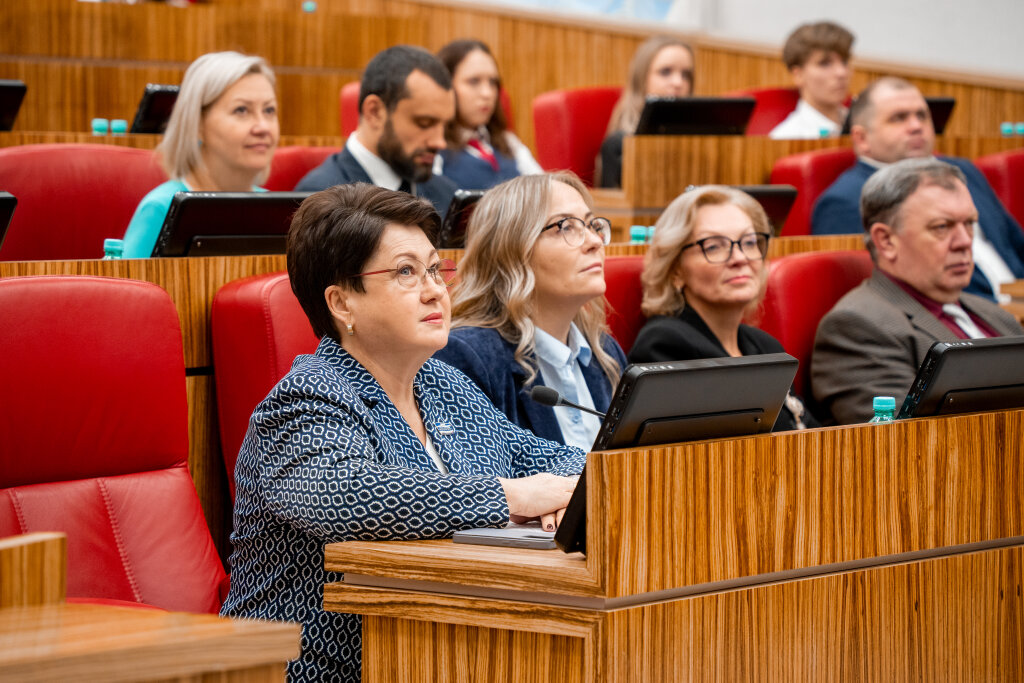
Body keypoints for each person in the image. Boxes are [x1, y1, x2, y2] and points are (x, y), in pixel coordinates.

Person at [220, 183, 583, 681]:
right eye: (406, 272)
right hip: (315, 669)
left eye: (434, 269)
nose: (435, 289)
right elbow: (346, 496)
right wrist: (514, 497)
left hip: (436, 651)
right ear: (342, 303)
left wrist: (568, 491)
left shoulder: (443, 383)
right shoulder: (306, 399)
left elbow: (544, 458)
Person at [811, 158, 1024, 425]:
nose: (965, 242)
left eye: (970, 224)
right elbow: (908, 447)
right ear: (886, 241)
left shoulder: (996, 315)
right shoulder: (858, 327)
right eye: (941, 227)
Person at [434, 172, 626, 450]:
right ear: (512, 250)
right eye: (566, 227)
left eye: (591, 224)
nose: (595, 241)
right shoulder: (468, 357)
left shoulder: (604, 351)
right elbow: (482, 486)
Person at [811, 77, 1024, 301]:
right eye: (899, 118)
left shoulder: (963, 171)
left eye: (922, 115)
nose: (916, 126)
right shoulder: (846, 200)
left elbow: (1016, 245)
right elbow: (883, 295)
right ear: (862, 138)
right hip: (962, 322)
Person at [628, 185, 818, 431]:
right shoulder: (664, 346)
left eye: (749, 242)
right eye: (714, 246)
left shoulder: (765, 346)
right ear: (675, 269)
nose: (740, 258)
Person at [121, 51, 279, 258]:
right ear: (197, 123)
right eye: (241, 110)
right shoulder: (161, 209)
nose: (262, 127)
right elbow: (132, 290)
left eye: (269, 110)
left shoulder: (278, 212)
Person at [295, 45, 458, 219]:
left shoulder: (448, 196)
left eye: (445, 126)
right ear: (374, 112)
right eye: (424, 123)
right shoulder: (320, 200)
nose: (440, 142)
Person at [434, 39, 542, 190]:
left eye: (492, 82)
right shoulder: (434, 148)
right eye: (474, 81)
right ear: (445, 86)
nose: (488, 93)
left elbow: (545, 190)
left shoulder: (508, 141)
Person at [598, 35, 695, 188]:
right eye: (665, 72)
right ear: (642, 78)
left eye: (686, 75)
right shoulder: (618, 144)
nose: (678, 82)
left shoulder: (701, 141)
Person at [769, 21, 854, 140]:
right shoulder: (786, 138)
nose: (842, 72)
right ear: (798, 75)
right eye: (824, 63)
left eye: (844, 61)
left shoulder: (866, 124)